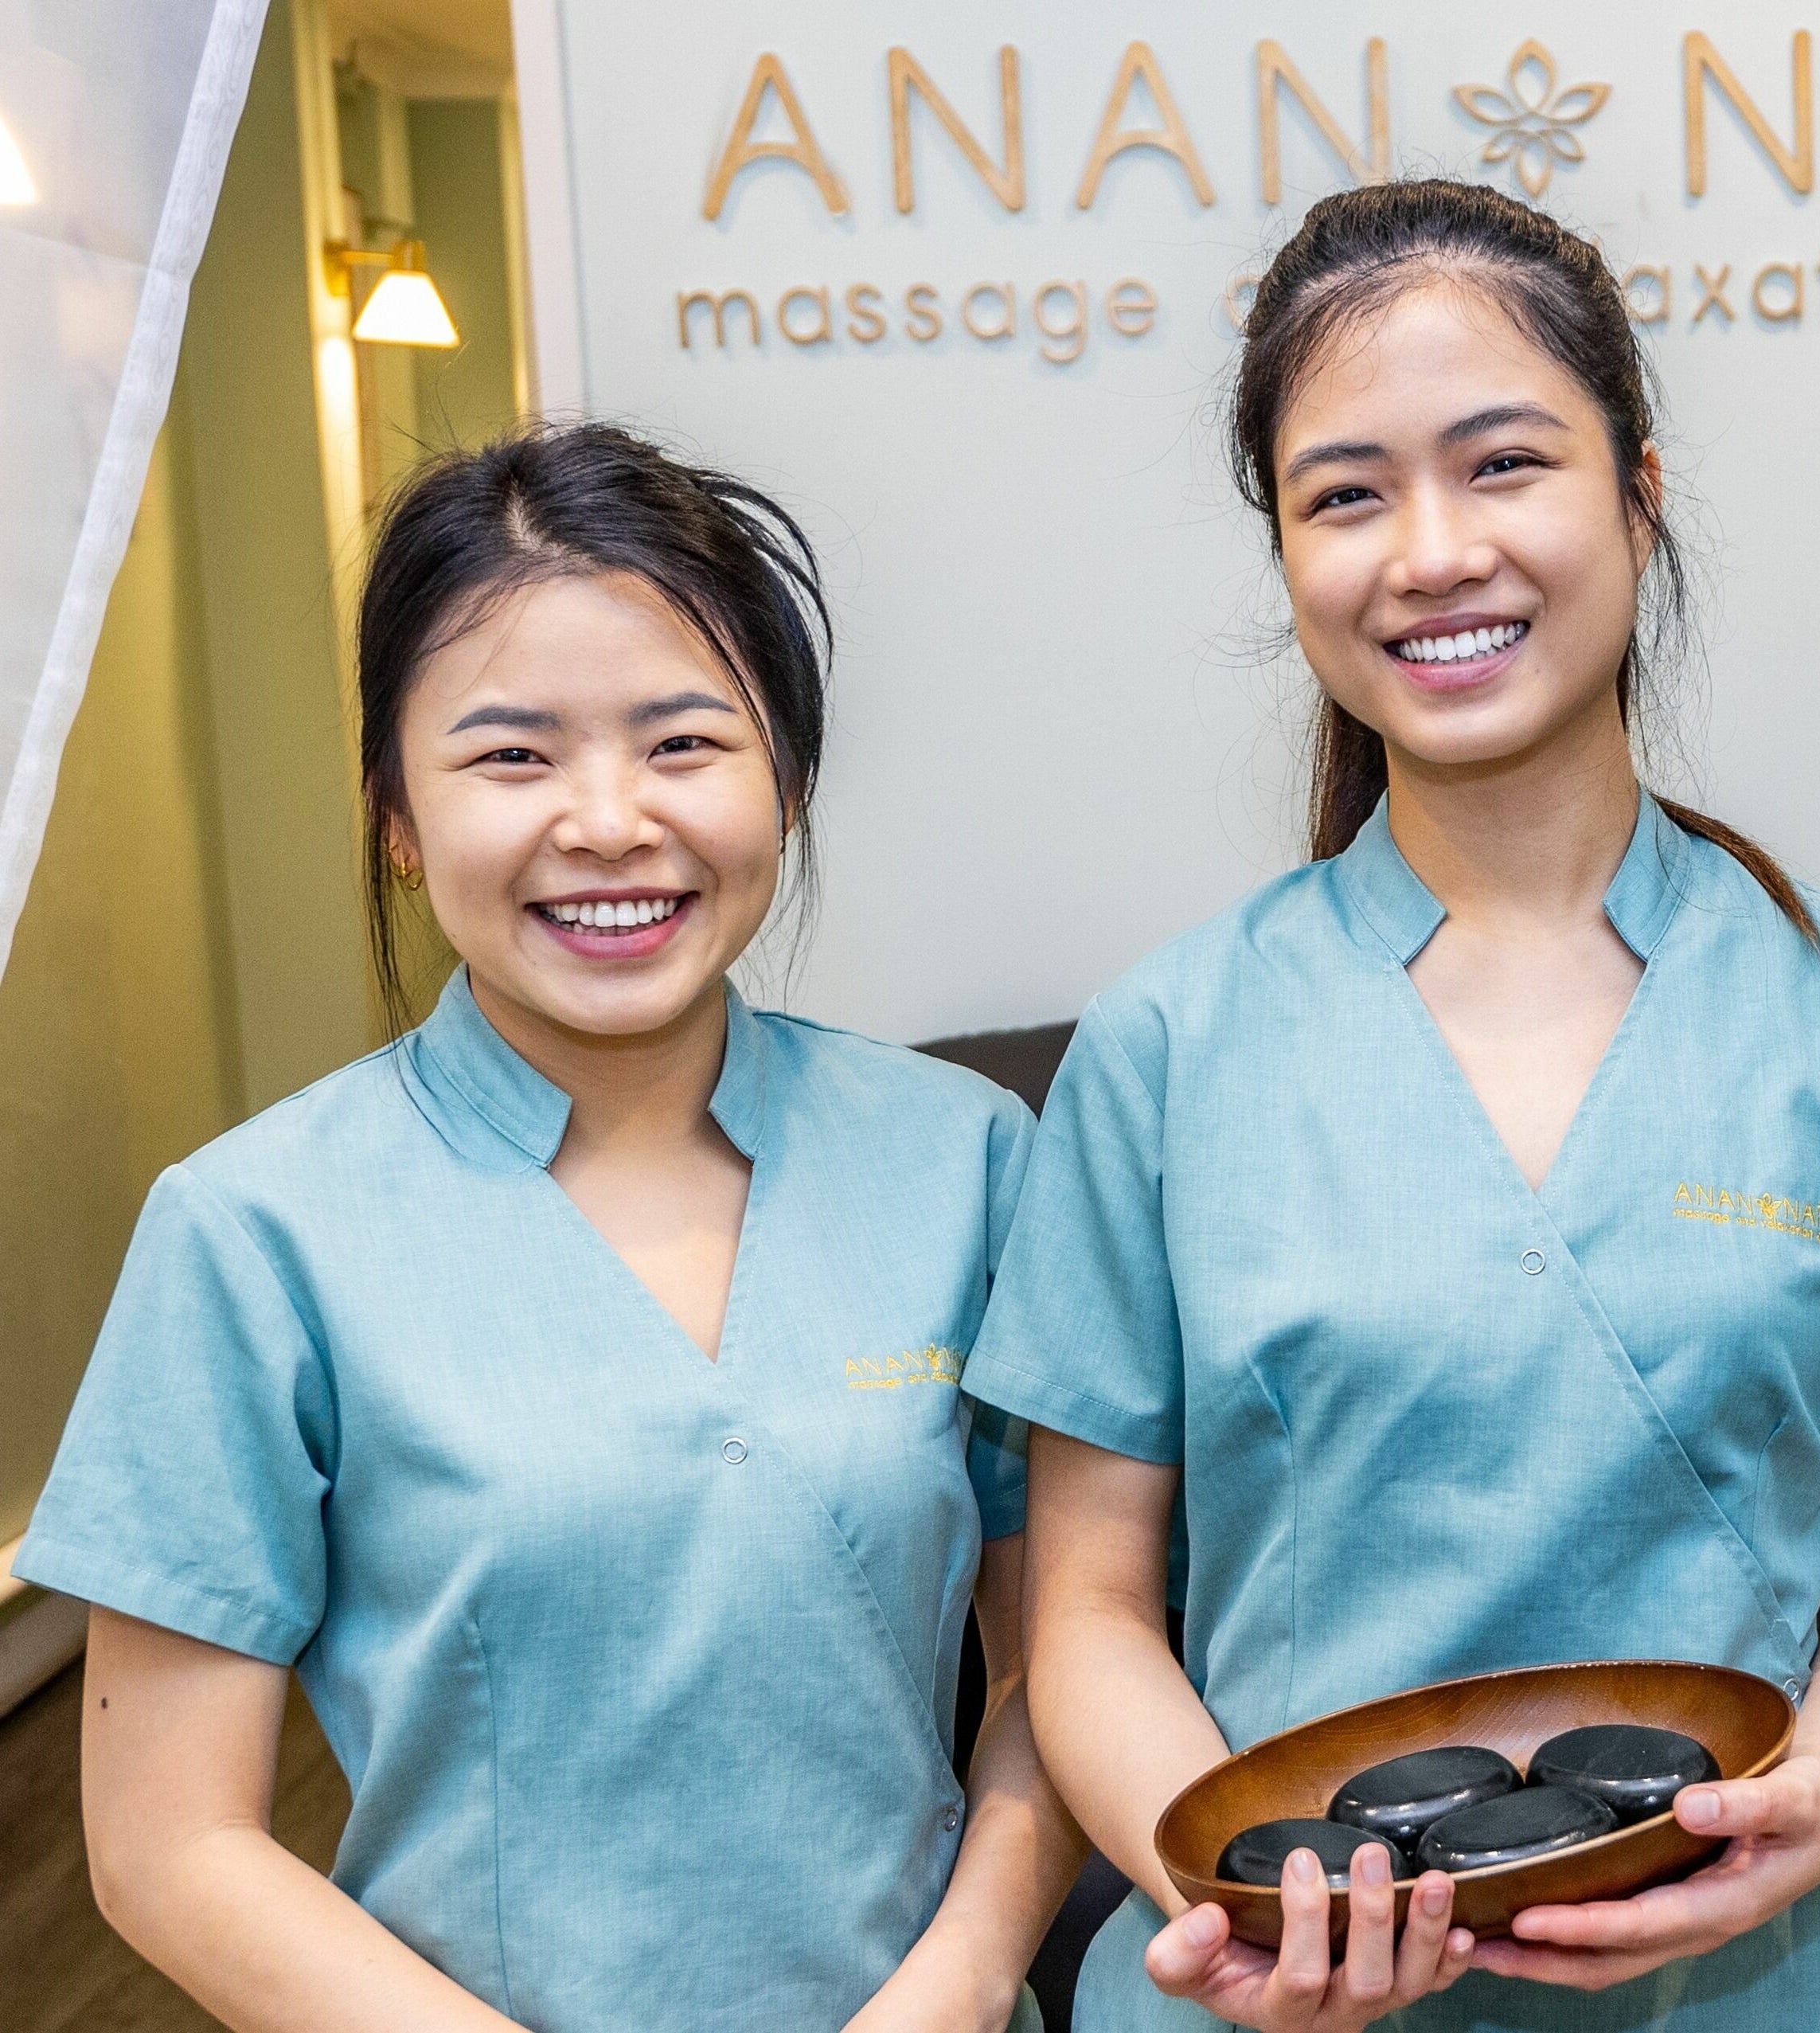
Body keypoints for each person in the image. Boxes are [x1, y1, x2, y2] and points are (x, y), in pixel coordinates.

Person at [960, 178, 1820, 2033]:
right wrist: (1227, 1900)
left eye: (1503, 464)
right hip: (1270, 1994)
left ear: (1638, 494)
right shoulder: (1169, 1042)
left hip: (1755, 1979)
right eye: (1346, 494)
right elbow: (1080, 1615)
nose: (1430, 550)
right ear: (1288, 553)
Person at [13, 424, 1084, 2033]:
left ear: (780, 776)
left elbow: (1051, 1672)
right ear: (392, 810)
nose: (607, 821)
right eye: (512, 755)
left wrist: (955, 1981)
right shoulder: (252, 1234)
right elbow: (171, 1841)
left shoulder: (964, 1159)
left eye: (682, 742)